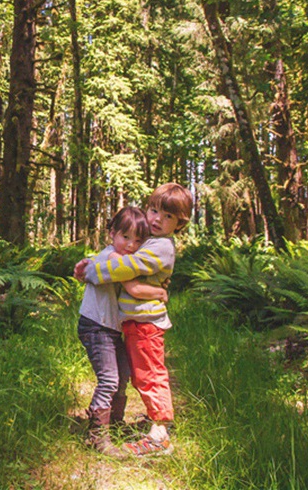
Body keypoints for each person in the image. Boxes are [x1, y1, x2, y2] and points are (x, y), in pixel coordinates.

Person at [75, 182, 193, 457]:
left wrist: (94, 269)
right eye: (154, 211)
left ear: (179, 223)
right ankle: (133, 424)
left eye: (167, 217)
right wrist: (92, 261)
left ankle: (160, 434)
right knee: (139, 375)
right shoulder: (152, 241)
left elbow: (128, 267)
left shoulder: (162, 246)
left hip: (146, 323)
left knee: (149, 375)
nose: (156, 219)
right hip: (133, 323)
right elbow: (119, 255)